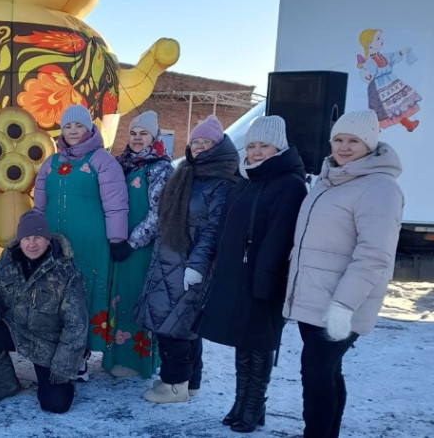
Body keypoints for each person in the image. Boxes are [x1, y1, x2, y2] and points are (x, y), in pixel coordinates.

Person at [283, 110, 403, 438]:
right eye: (338, 139)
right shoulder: (329, 179)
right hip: (314, 296)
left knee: (316, 373)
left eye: (354, 140)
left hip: (341, 303)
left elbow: (374, 255)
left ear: (370, 144)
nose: (344, 147)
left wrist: (344, 305)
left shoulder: (379, 187)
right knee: (327, 371)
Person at [200, 115, 306, 433]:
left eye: (264, 145)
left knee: (259, 342)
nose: (257, 152)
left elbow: (278, 238)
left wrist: (266, 282)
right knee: (243, 340)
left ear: (279, 146)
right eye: (253, 145)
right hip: (239, 274)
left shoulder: (289, 184)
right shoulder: (246, 178)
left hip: (265, 279)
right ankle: (241, 403)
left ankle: (254, 403)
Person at [135, 115, 239, 402]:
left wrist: (197, 265)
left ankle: (175, 384)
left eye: (206, 142)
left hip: (190, 265)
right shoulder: (187, 172)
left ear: (218, 146)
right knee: (184, 326)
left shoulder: (222, 182)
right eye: (195, 143)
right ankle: (191, 382)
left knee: (175, 327)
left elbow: (213, 229)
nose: (199, 147)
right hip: (169, 259)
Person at [33, 104, 129, 381]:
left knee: (83, 296)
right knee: (55, 297)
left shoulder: (102, 160)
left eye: (78, 126)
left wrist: (117, 238)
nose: (73, 131)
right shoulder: (50, 163)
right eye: (68, 126)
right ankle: (55, 351)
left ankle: (81, 356)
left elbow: (116, 205)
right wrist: (35, 236)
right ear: (61, 130)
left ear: (89, 129)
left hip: (90, 243)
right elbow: (39, 206)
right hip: (53, 244)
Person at [0, 210, 88, 413]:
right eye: (27, 238)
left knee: (56, 404)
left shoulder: (67, 274)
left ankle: (64, 376)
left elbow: (76, 325)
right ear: (19, 239)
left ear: (48, 240)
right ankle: (6, 383)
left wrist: (63, 366)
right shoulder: (7, 262)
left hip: (48, 343)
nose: (32, 243)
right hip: (15, 330)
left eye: (38, 237)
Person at [103, 110, 173, 380]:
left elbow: (158, 214)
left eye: (143, 133)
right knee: (117, 301)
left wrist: (132, 243)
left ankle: (137, 363)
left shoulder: (161, 168)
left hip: (141, 249)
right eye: (133, 133)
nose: (137, 138)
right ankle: (114, 358)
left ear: (154, 137)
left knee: (136, 300)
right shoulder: (120, 164)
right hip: (117, 245)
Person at [356, 28, 421, 131]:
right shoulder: (369, 62)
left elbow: (394, 56)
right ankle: (374, 129)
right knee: (384, 109)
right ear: (369, 44)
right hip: (378, 87)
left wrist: (403, 51)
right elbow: (366, 75)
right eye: (378, 38)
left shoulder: (385, 56)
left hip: (391, 82)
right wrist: (366, 72)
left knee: (398, 105)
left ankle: (408, 124)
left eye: (381, 38)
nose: (381, 41)